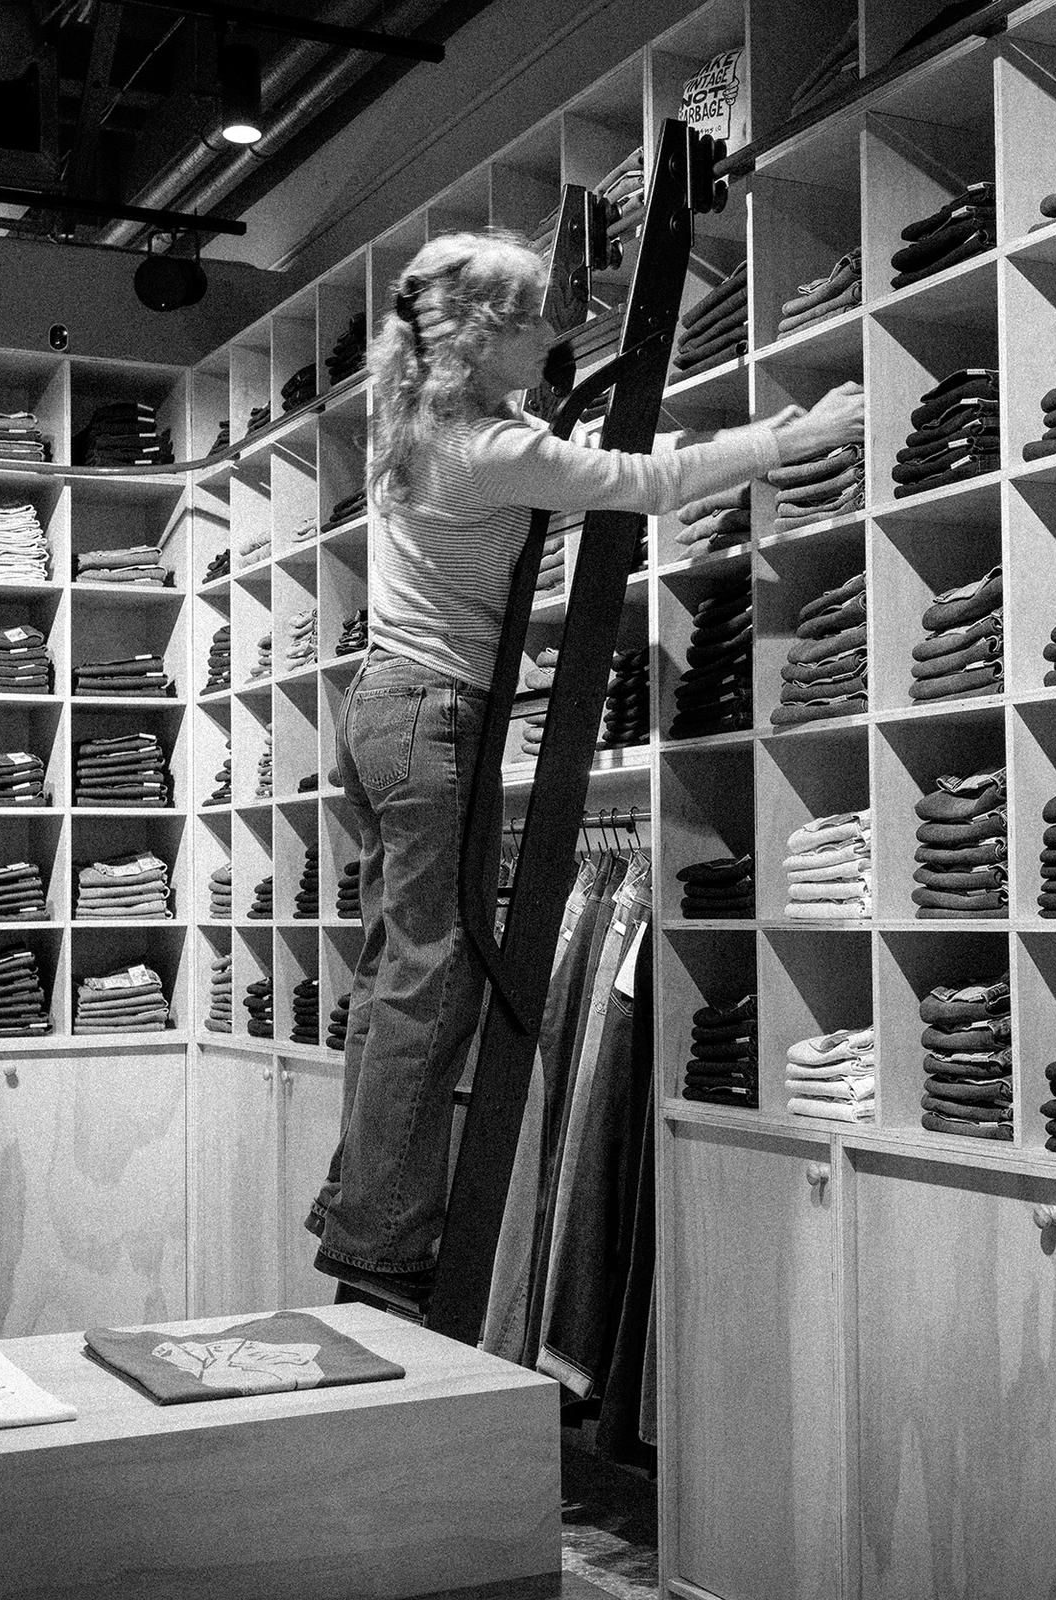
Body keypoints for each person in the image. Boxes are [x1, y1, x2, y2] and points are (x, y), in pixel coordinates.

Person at [308, 230, 864, 1305]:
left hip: (380, 708)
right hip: (431, 714)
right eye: (531, 322)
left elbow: (561, 426)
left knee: (394, 973)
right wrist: (793, 436)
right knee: (434, 980)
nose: (553, 336)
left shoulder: (414, 414)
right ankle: (384, 1241)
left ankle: (365, 1209)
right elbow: (645, 482)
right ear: (482, 338)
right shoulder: (488, 450)